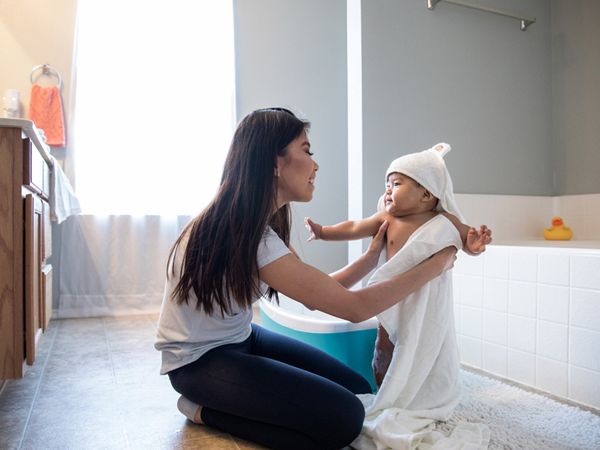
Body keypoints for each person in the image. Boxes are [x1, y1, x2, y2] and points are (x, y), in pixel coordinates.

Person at [154, 108, 458, 450]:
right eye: (306, 151)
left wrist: (371, 258)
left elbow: (318, 291)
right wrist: (436, 265)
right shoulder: (247, 236)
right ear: (274, 163)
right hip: (199, 362)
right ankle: (204, 411)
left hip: (241, 337)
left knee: (356, 388)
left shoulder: (258, 226)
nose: (315, 164)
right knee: (343, 420)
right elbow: (355, 308)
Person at [305, 143, 492, 386]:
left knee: (423, 350)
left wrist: (475, 245)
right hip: (389, 297)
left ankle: (418, 393)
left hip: (423, 301)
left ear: (426, 193)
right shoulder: (387, 218)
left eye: (396, 184)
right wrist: (323, 232)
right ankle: (386, 393)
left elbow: (465, 240)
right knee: (384, 349)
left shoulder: (444, 221)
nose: (388, 191)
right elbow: (354, 227)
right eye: (387, 184)